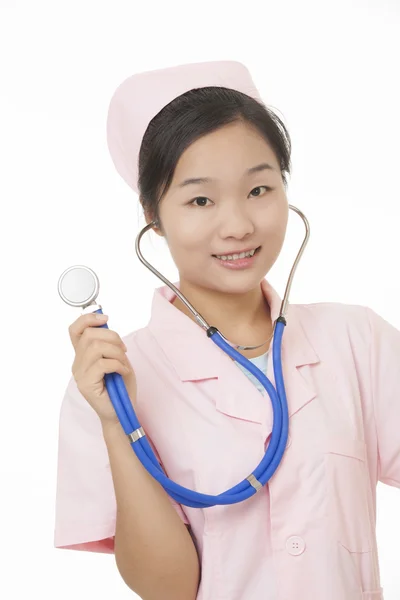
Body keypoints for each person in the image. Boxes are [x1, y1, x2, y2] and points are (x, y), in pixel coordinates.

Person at [54, 61, 400, 600]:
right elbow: (166, 589)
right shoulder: (113, 381)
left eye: (259, 189)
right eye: (200, 200)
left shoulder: (358, 341)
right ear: (153, 213)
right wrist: (117, 425)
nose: (238, 224)